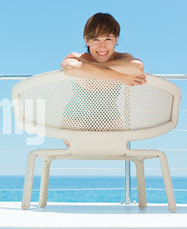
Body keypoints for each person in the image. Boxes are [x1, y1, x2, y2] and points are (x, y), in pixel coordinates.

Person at [60, 12, 145, 146]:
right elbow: (69, 68)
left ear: (116, 39)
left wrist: (86, 63)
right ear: (86, 40)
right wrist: (120, 76)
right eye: (96, 40)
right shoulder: (76, 59)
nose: (102, 46)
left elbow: (137, 67)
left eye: (108, 39)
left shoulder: (120, 58)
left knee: (116, 146)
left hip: (109, 120)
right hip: (75, 120)